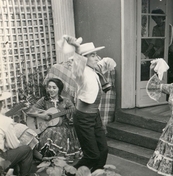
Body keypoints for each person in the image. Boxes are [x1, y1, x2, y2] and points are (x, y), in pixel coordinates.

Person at [63, 36, 116, 172]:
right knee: (92, 154)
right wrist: (77, 48)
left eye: (96, 54)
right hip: (83, 118)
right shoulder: (80, 73)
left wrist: (105, 61)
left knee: (103, 150)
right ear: (84, 58)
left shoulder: (93, 70)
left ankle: (95, 173)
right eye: (93, 55)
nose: (97, 57)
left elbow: (109, 63)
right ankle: (69, 173)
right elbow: (77, 65)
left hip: (94, 116)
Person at [27, 78, 80, 160]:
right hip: (46, 126)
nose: (51, 90)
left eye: (54, 88)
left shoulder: (66, 101)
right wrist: (43, 116)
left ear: (59, 89)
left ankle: (55, 156)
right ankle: (47, 156)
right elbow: (30, 111)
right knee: (48, 131)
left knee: (52, 131)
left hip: (64, 127)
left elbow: (75, 112)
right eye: (49, 87)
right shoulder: (44, 100)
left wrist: (72, 118)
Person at [0, 92, 34, 176]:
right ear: (2, 104)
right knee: (26, 149)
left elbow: (7, 113)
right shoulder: (5, 121)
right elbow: (14, 145)